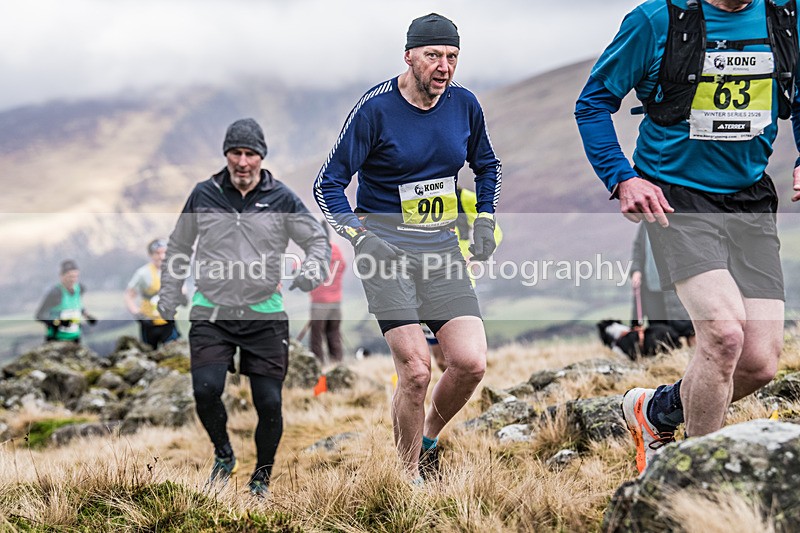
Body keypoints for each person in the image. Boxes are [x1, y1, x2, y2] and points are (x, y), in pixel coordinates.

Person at [575, 0, 800, 475]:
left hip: (750, 198)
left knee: (759, 362)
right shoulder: (656, 20)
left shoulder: (786, 14)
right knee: (723, 335)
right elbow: (593, 102)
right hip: (675, 196)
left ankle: (655, 412)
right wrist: (622, 178)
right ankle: (694, 481)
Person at [314, 13, 502, 484]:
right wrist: (362, 237)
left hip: (441, 251)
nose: (444, 66)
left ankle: (428, 437)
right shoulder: (376, 109)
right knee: (417, 371)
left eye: (452, 57)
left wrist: (483, 217)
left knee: (470, 363)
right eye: (434, 55)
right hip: (386, 253)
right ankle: (408, 478)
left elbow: (487, 166)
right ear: (409, 56)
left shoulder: (464, 105)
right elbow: (328, 185)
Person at [158, 118, 330, 497]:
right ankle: (224, 454)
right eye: (235, 152)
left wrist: (313, 270)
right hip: (211, 310)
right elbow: (179, 246)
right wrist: (169, 293)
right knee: (205, 390)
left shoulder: (282, 198)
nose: (242, 161)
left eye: (250, 153)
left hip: (263, 312)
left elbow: (317, 241)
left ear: (261, 157)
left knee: (268, 403)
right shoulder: (204, 194)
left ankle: (261, 479)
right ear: (226, 155)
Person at [428, 186, 503, 372]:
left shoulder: (464, 198)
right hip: (425, 282)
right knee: (441, 360)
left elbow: (495, 231)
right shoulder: (414, 195)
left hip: (459, 279)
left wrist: (478, 255)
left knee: (465, 356)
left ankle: (465, 392)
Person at [629, 224, 695, 346]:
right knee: (657, 326)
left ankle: (692, 356)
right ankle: (665, 357)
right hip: (650, 285)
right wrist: (636, 270)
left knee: (686, 326)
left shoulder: (674, 219)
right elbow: (638, 248)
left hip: (674, 283)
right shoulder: (645, 224)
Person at [124, 238, 182, 349]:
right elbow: (129, 296)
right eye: (157, 253)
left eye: (164, 252)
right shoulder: (142, 273)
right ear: (151, 255)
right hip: (149, 322)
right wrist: (137, 314)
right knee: (149, 354)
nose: (161, 256)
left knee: (173, 353)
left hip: (168, 322)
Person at [308, 223, 346, 364]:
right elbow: (342, 266)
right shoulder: (335, 249)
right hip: (336, 302)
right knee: (334, 335)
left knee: (316, 339)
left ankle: (318, 369)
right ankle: (337, 367)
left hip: (319, 303)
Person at [35, 260, 97, 343]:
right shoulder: (55, 293)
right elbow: (39, 316)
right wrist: (59, 322)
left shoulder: (80, 289)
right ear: (61, 276)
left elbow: (77, 306)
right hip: (56, 338)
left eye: (76, 276)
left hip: (75, 337)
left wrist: (88, 316)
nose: (73, 280)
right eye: (70, 276)